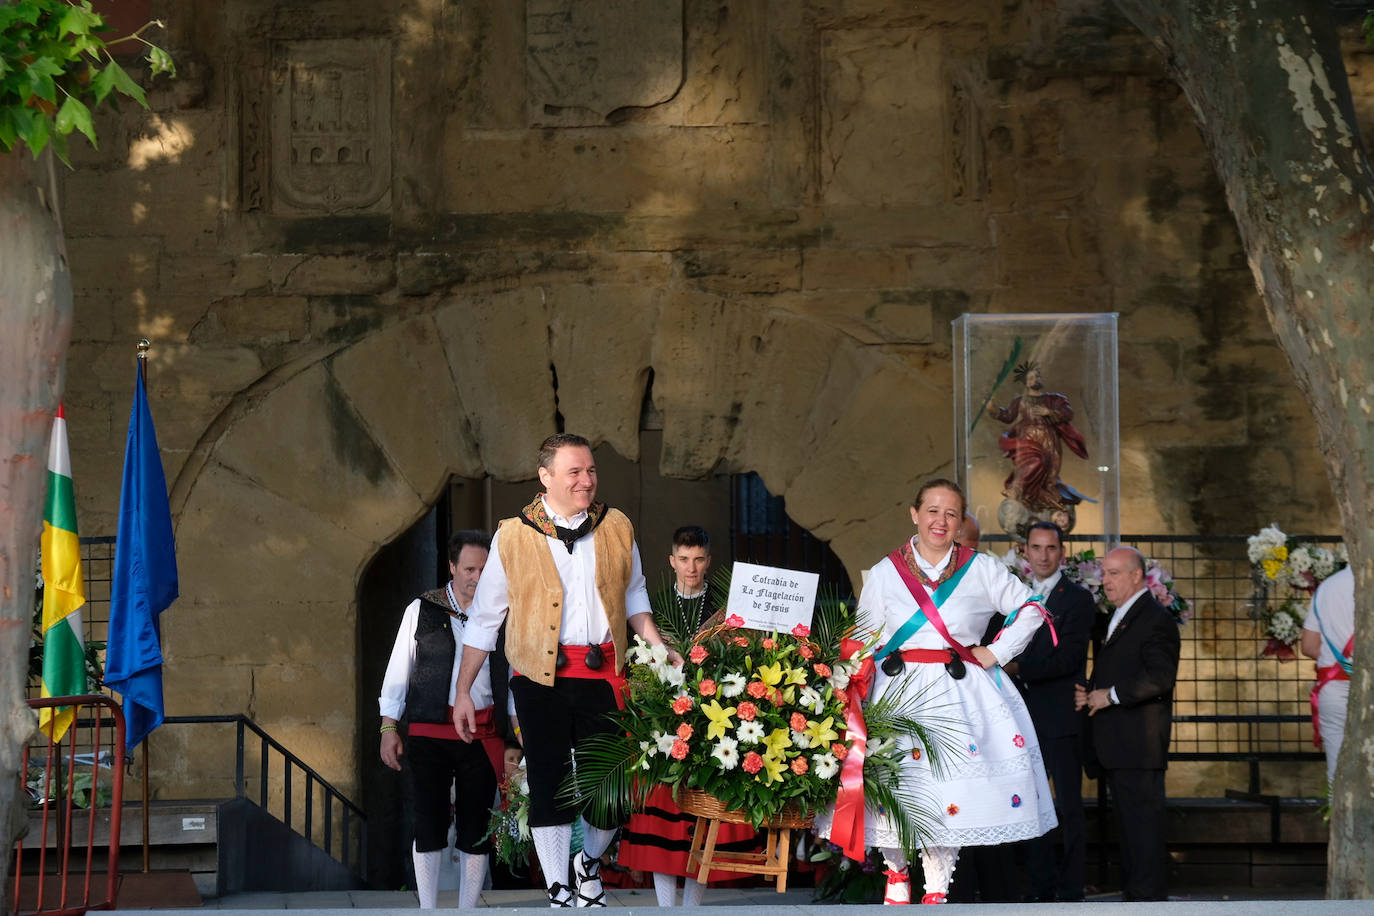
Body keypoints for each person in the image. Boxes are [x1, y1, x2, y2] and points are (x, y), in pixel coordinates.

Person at [454, 433, 679, 908]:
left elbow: (634, 594)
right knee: (550, 780)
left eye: (591, 470)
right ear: (546, 477)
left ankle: (588, 863)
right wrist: (463, 691)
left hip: (604, 671)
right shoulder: (512, 535)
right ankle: (558, 885)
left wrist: (659, 646)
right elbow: (486, 619)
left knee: (612, 787)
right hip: (538, 675)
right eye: (574, 472)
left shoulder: (616, 525)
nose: (586, 480)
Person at [827, 478, 1057, 905]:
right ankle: (896, 876)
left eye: (951, 513)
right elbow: (861, 636)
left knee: (947, 792)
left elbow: (1032, 608)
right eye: (932, 510)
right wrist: (849, 689)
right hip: (896, 692)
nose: (941, 520)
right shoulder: (885, 572)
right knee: (896, 786)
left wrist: (996, 651)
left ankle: (936, 890)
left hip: (960, 693)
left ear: (961, 521)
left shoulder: (981, 567)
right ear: (914, 514)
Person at [617, 526, 755, 906]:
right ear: (672, 561)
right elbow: (639, 660)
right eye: (683, 560)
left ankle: (691, 909)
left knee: (701, 819)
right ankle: (666, 908)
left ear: (708, 561)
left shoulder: (727, 606)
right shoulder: (653, 606)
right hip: (662, 722)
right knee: (664, 819)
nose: (691, 568)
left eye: (698, 560)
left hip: (713, 720)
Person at [378, 530, 508, 909]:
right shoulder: (422, 609)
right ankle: (428, 908)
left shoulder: (503, 612)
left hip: (482, 733)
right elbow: (398, 671)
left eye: (485, 569)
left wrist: (516, 735)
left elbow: (512, 676)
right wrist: (389, 727)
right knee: (429, 821)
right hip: (428, 730)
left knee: (476, 826)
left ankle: (468, 908)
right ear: (452, 567)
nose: (477, 577)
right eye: (469, 569)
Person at [1075, 546, 1180, 901]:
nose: (1104, 581)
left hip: (1139, 744)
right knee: (1133, 834)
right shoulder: (1123, 615)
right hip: (1122, 745)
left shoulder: (1154, 618)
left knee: (1143, 833)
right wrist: (1091, 694)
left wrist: (1111, 695)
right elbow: (1120, 670)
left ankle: (1147, 903)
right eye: (1104, 573)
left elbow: (1160, 677)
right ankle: (1136, 900)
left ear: (1137, 576)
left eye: (1114, 573)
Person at [1005, 521, 1094, 901]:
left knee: (1069, 806)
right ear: (1025, 551)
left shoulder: (1077, 598)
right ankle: (1038, 886)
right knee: (1028, 804)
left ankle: (1072, 887)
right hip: (1020, 716)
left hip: (1059, 717)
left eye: (1050, 548)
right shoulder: (1012, 595)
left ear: (1062, 553)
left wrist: (1019, 667)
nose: (1043, 555)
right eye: (1036, 547)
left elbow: (1069, 657)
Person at [988, 363, 1088, 514]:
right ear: (1026, 383)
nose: (1036, 379)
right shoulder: (1019, 401)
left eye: (1037, 376)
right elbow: (1007, 416)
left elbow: (1068, 413)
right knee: (1033, 463)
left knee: (1049, 475)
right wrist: (993, 409)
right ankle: (1016, 489)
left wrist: (1050, 412)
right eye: (1032, 378)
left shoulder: (1055, 399)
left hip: (1049, 440)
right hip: (1027, 439)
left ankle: (1042, 504)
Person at [1300, 565, 1353, 785]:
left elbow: (1309, 645)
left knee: (1337, 771)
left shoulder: (1328, 587)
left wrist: (1339, 663)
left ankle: (1338, 817)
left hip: (1332, 689)